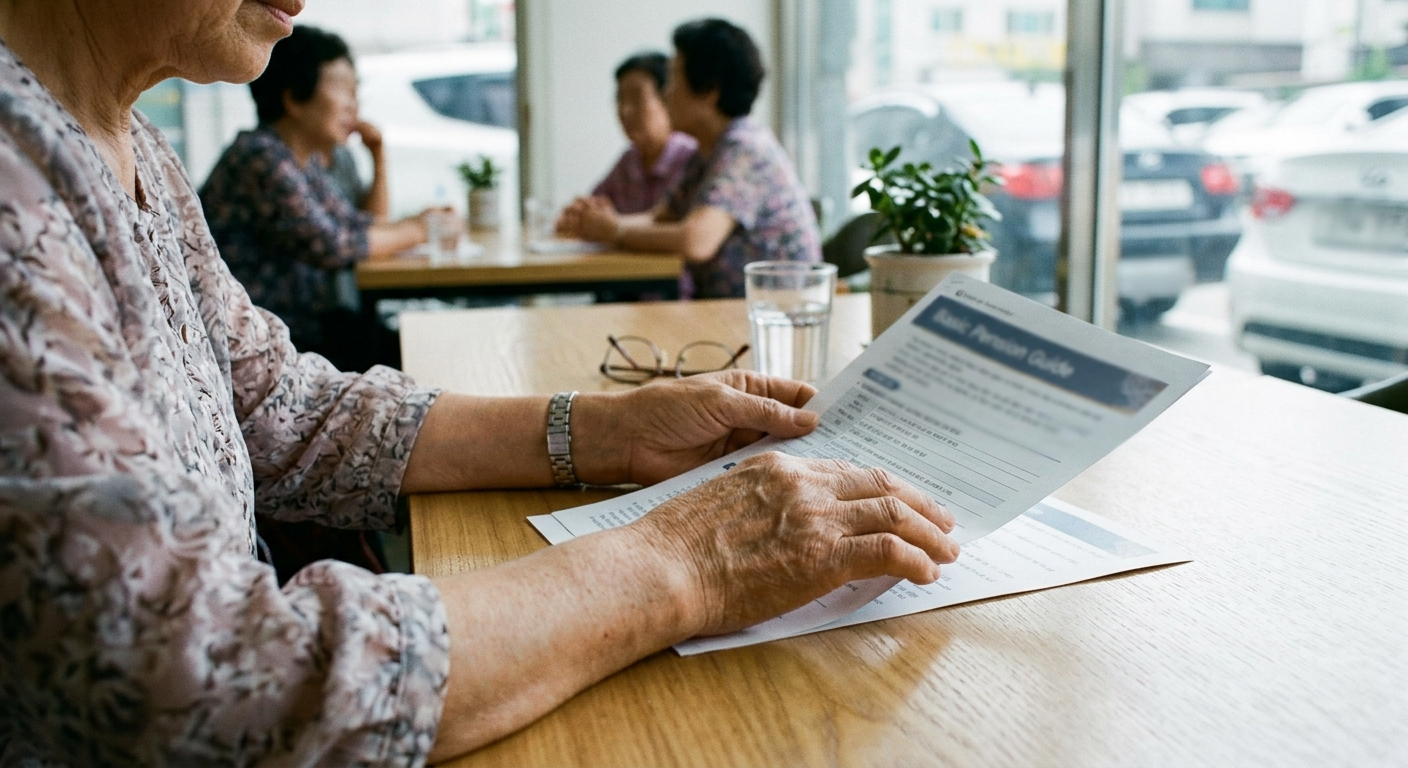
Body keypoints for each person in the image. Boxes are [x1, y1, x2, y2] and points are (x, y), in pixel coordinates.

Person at [0, 2, 960, 766]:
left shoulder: (133, 148)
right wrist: (690, 560)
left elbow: (278, 409)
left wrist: (604, 431)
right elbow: (198, 682)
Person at [200, 25, 454, 372]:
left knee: (420, 348)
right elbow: (333, 246)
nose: (355, 105)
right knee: (413, 356)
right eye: (343, 90)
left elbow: (363, 227)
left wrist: (382, 162)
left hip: (306, 328)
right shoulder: (259, 157)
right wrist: (422, 229)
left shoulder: (307, 162)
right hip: (263, 343)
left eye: (356, 92)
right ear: (294, 100)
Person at [557, 19, 821, 299]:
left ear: (709, 91)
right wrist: (597, 224)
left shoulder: (746, 149)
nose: (666, 93)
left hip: (777, 320)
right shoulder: (707, 152)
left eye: (673, 80)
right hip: (733, 314)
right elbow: (659, 217)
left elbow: (697, 241)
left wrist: (616, 230)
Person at [587, 51, 697, 215]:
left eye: (636, 98)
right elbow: (592, 205)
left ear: (668, 98)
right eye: (620, 99)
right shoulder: (630, 159)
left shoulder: (691, 157)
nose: (625, 110)